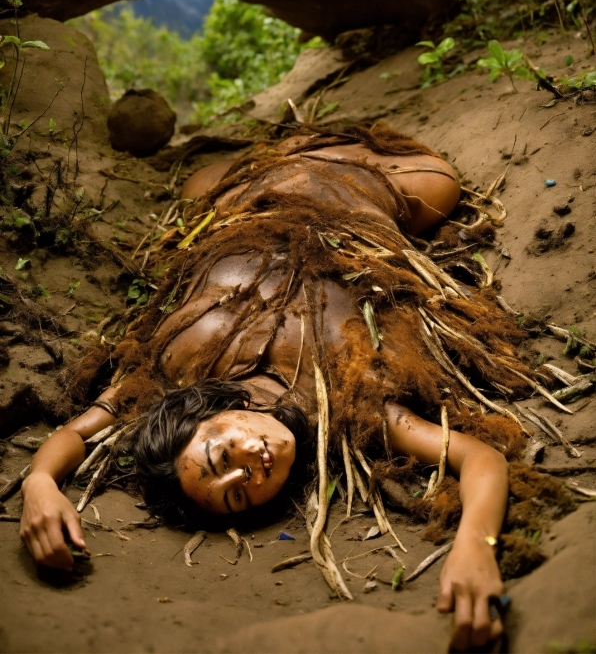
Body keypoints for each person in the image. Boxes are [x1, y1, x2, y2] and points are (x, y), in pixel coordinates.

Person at [20, 124, 531, 652]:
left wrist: (40, 482)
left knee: (196, 186)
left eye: (221, 456)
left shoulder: (178, 367)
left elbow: (76, 435)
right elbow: (477, 458)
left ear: (203, 417)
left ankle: (290, 144)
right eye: (240, 495)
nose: (250, 469)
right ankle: (323, 147)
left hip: (249, 194)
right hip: (370, 187)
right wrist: (476, 543)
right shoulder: (351, 406)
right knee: (438, 182)